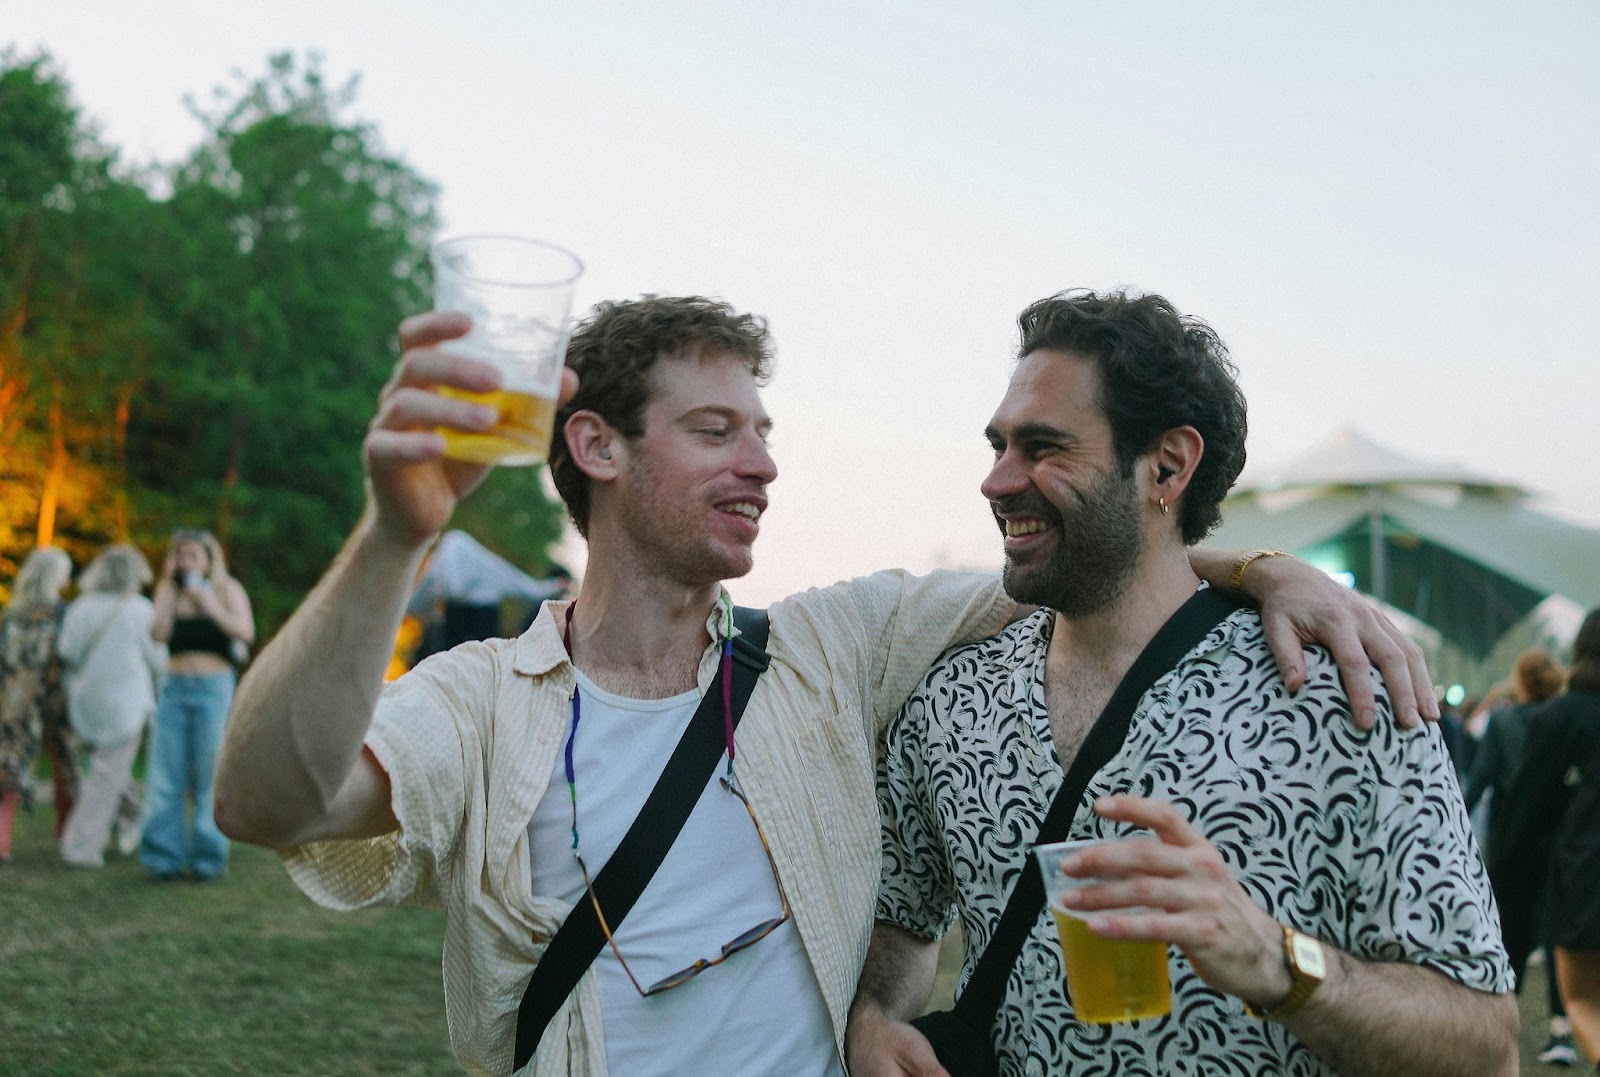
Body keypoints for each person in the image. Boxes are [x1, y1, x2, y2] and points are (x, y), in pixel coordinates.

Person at [214, 296, 1432, 1076]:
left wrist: (1263, 568)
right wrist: (396, 536)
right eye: (716, 431)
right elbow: (266, 803)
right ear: (596, 446)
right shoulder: (482, 701)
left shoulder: (828, 649)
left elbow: (1097, 552)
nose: (763, 464)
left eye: (763, 431)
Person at [848, 289, 1516, 1076]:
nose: (997, 481)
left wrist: (1275, 960)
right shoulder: (953, 700)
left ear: (1167, 465)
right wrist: (874, 1018)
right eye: (999, 446)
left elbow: (1488, 1045)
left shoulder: (1340, 692)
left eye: (1043, 447)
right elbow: (903, 921)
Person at [1498, 609, 1600, 1071]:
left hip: (1586, 874)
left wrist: (1498, 875)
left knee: (1582, 1001)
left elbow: (1528, 807)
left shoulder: (1563, 716)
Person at [144, 528, 254, 881]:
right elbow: (158, 635)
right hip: (174, 687)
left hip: (213, 688)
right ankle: (163, 858)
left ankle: (208, 858)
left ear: (208, 560)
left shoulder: (227, 589)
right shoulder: (167, 590)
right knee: (165, 776)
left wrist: (209, 605)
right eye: (180, 554)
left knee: (211, 774)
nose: (185, 561)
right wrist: (169, 596)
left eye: (193, 555)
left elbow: (245, 631)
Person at [56, 545, 167, 868]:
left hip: (86, 699)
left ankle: (131, 818)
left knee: (103, 770)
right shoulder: (141, 610)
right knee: (107, 775)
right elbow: (158, 660)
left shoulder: (81, 607)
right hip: (126, 703)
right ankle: (81, 847)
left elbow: (67, 651)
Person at [0, 546, 79, 862]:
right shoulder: (62, 614)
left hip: (14, 701)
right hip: (53, 698)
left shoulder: (12, 615)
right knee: (66, 761)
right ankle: (67, 831)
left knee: (10, 766)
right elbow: (69, 656)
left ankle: (3, 839)